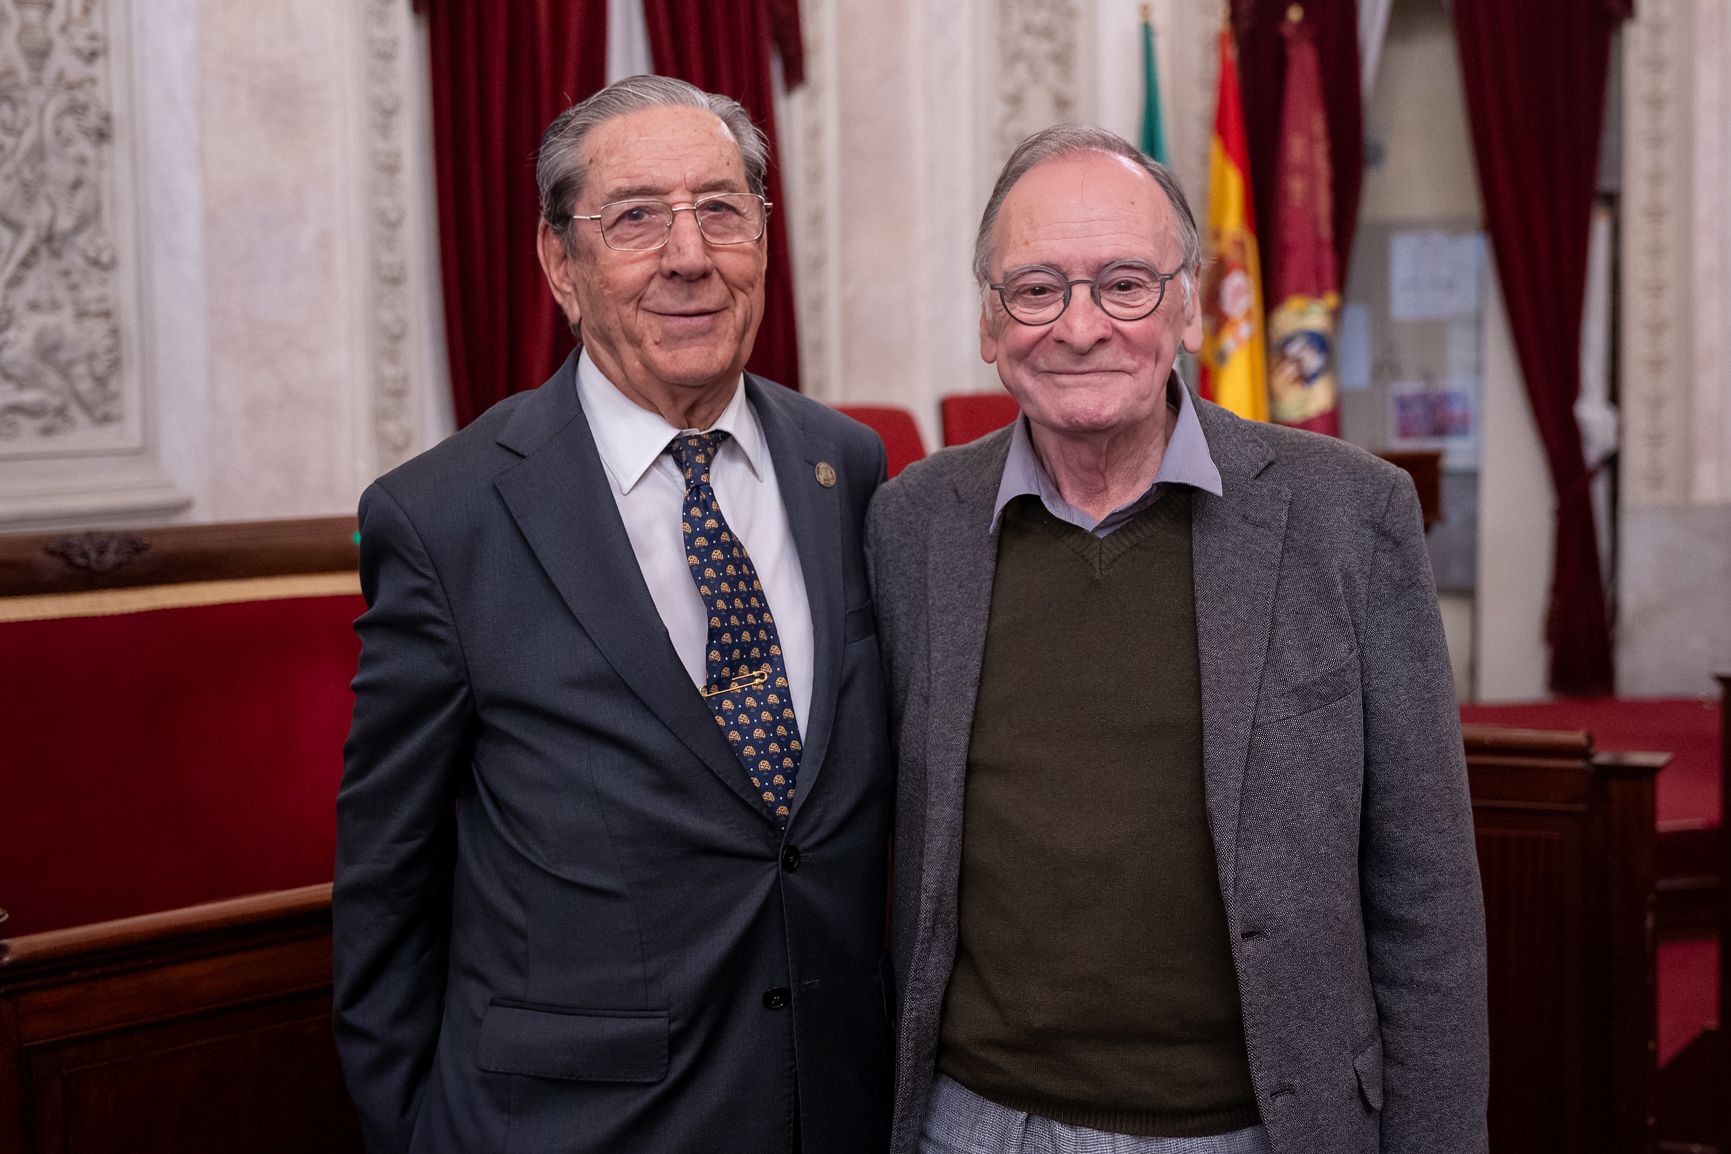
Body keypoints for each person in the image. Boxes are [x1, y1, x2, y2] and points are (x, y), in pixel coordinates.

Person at [865, 125, 1487, 1154]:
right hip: (970, 1124)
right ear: (988, 317)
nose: (1079, 325)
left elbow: (1426, 895)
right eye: (1036, 288)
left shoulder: (1350, 516)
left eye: (1124, 284)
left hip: (1250, 1128)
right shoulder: (911, 523)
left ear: (1190, 304)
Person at [333, 75, 892, 1154]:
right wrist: (413, 1128)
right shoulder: (447, 516)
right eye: (635, 217)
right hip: (573, 1122)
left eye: (721, 209)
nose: (690, 254)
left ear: (763, 241)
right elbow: (387, 881)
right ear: (560, 265)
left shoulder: (848, 465)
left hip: (836, 1102)